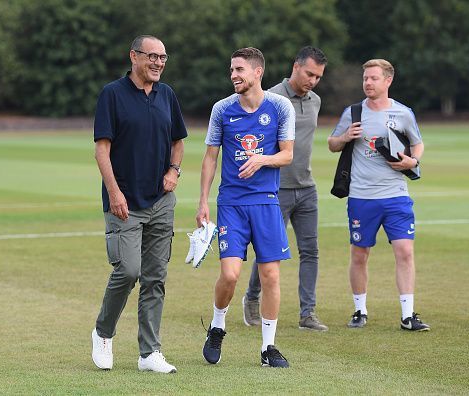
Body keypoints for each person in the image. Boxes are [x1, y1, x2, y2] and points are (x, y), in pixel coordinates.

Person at [91, 35, 188, 373]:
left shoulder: (167, 95)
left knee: (155, 277)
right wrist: (114, 192)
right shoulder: (112, 94)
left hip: (162, 201)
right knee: (129, 270)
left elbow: (178, 141)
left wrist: (174, 172)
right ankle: (103, 333)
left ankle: (149, 353)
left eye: (163, 57)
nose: (159, 62)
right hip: (124, 203)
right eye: (152, 56)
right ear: (134, 56)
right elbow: (102, 149)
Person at [196, 47, 295, 368]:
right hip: (232, 204)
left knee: (270, 276)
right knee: (230, 273)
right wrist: (202, 202)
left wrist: (262, 160)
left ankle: (268, 348)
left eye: (239, 69)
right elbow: (211, 157)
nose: (234, 75)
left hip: (266, 202)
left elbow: (287, 155)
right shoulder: (222, 110)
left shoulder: (280, 107)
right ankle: (217, 325)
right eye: (231, 70)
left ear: (257, 73)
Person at [327, 59, 430, 331]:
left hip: (396, 195)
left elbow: (417, 144)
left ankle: (408, 315)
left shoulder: (403, 113)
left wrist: (412, 162)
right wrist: (346, 135)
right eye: (365, 78)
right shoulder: (353, 112)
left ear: (388, 81)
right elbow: (332, 144)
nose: (368, 83)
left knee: (405, 251)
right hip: (361, 197)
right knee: (360, 253)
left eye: (373, 78)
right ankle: (360, 310)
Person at [242, 46, 328, 331]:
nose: (313, 80)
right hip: (275, 189)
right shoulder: (272, 98)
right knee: (268, 252)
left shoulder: (315, 101)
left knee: (310, 251)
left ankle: (308, 313)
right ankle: (251, 299)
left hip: (307, 187)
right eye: (309, 73)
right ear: (296, 66)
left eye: (318, 76)